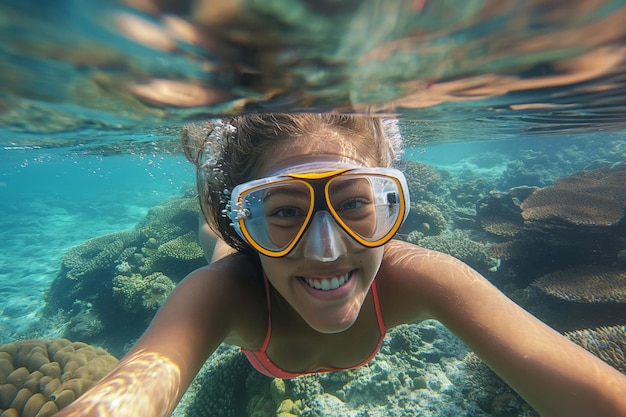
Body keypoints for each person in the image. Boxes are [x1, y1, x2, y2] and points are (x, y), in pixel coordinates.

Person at [57, 113, 626, 417]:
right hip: (239, 258)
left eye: (354, 203)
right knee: (217, 242)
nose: (327, 249)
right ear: (249, 217)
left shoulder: (425, 277)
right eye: (282, 210)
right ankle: (213, 216)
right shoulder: (220, 295)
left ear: (390, 202)